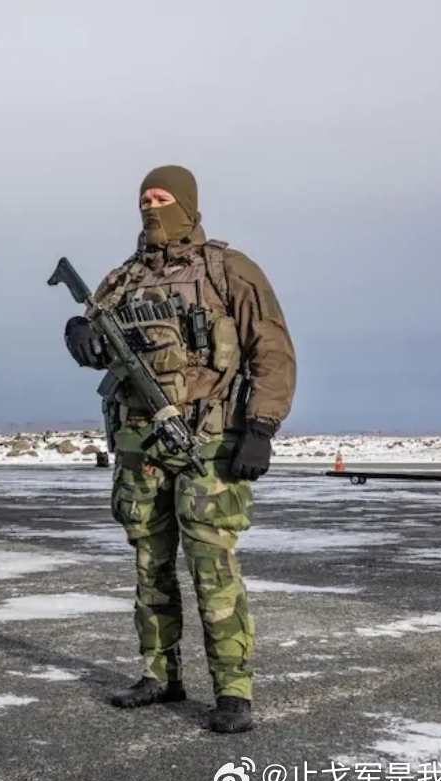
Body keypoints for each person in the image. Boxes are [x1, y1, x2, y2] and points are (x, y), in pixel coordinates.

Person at [63, 164, 296, 734]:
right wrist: (78, 332)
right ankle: (159, 676)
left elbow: (272, 351)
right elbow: (101, 344)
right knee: (150, 566)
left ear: (187, 202)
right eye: (144, 196)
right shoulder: (121, 280)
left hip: (210, 444)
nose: (151, 205)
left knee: (213, 568)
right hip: (140, 446)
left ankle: (234, 692)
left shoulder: (228, 269)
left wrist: (261, 428)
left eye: (162, 196)